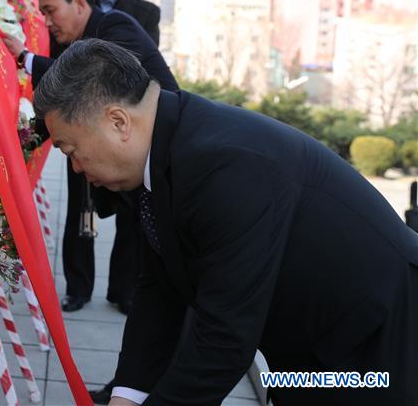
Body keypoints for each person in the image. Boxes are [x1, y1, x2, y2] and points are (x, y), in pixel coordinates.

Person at [34, 39, 418, 406]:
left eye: (71, 148)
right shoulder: (162, 152)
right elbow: (159, 288)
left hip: (378, 348)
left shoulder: (225, 165)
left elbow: (223, 339)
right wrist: (128, 393)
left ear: (118, 121)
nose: (76, 166)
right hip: (313, 347)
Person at [0, 0, 178, 314]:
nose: (47, 22)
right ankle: (78, 289)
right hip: (92, 137)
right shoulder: (73, 39)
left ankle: (124, 293)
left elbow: (86, 81)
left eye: (51, 11)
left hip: (141, 147)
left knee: (136, 223)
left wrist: (24, 57)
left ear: (79, 3)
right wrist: (18, 141)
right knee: (80, 216)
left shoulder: (115, 26)